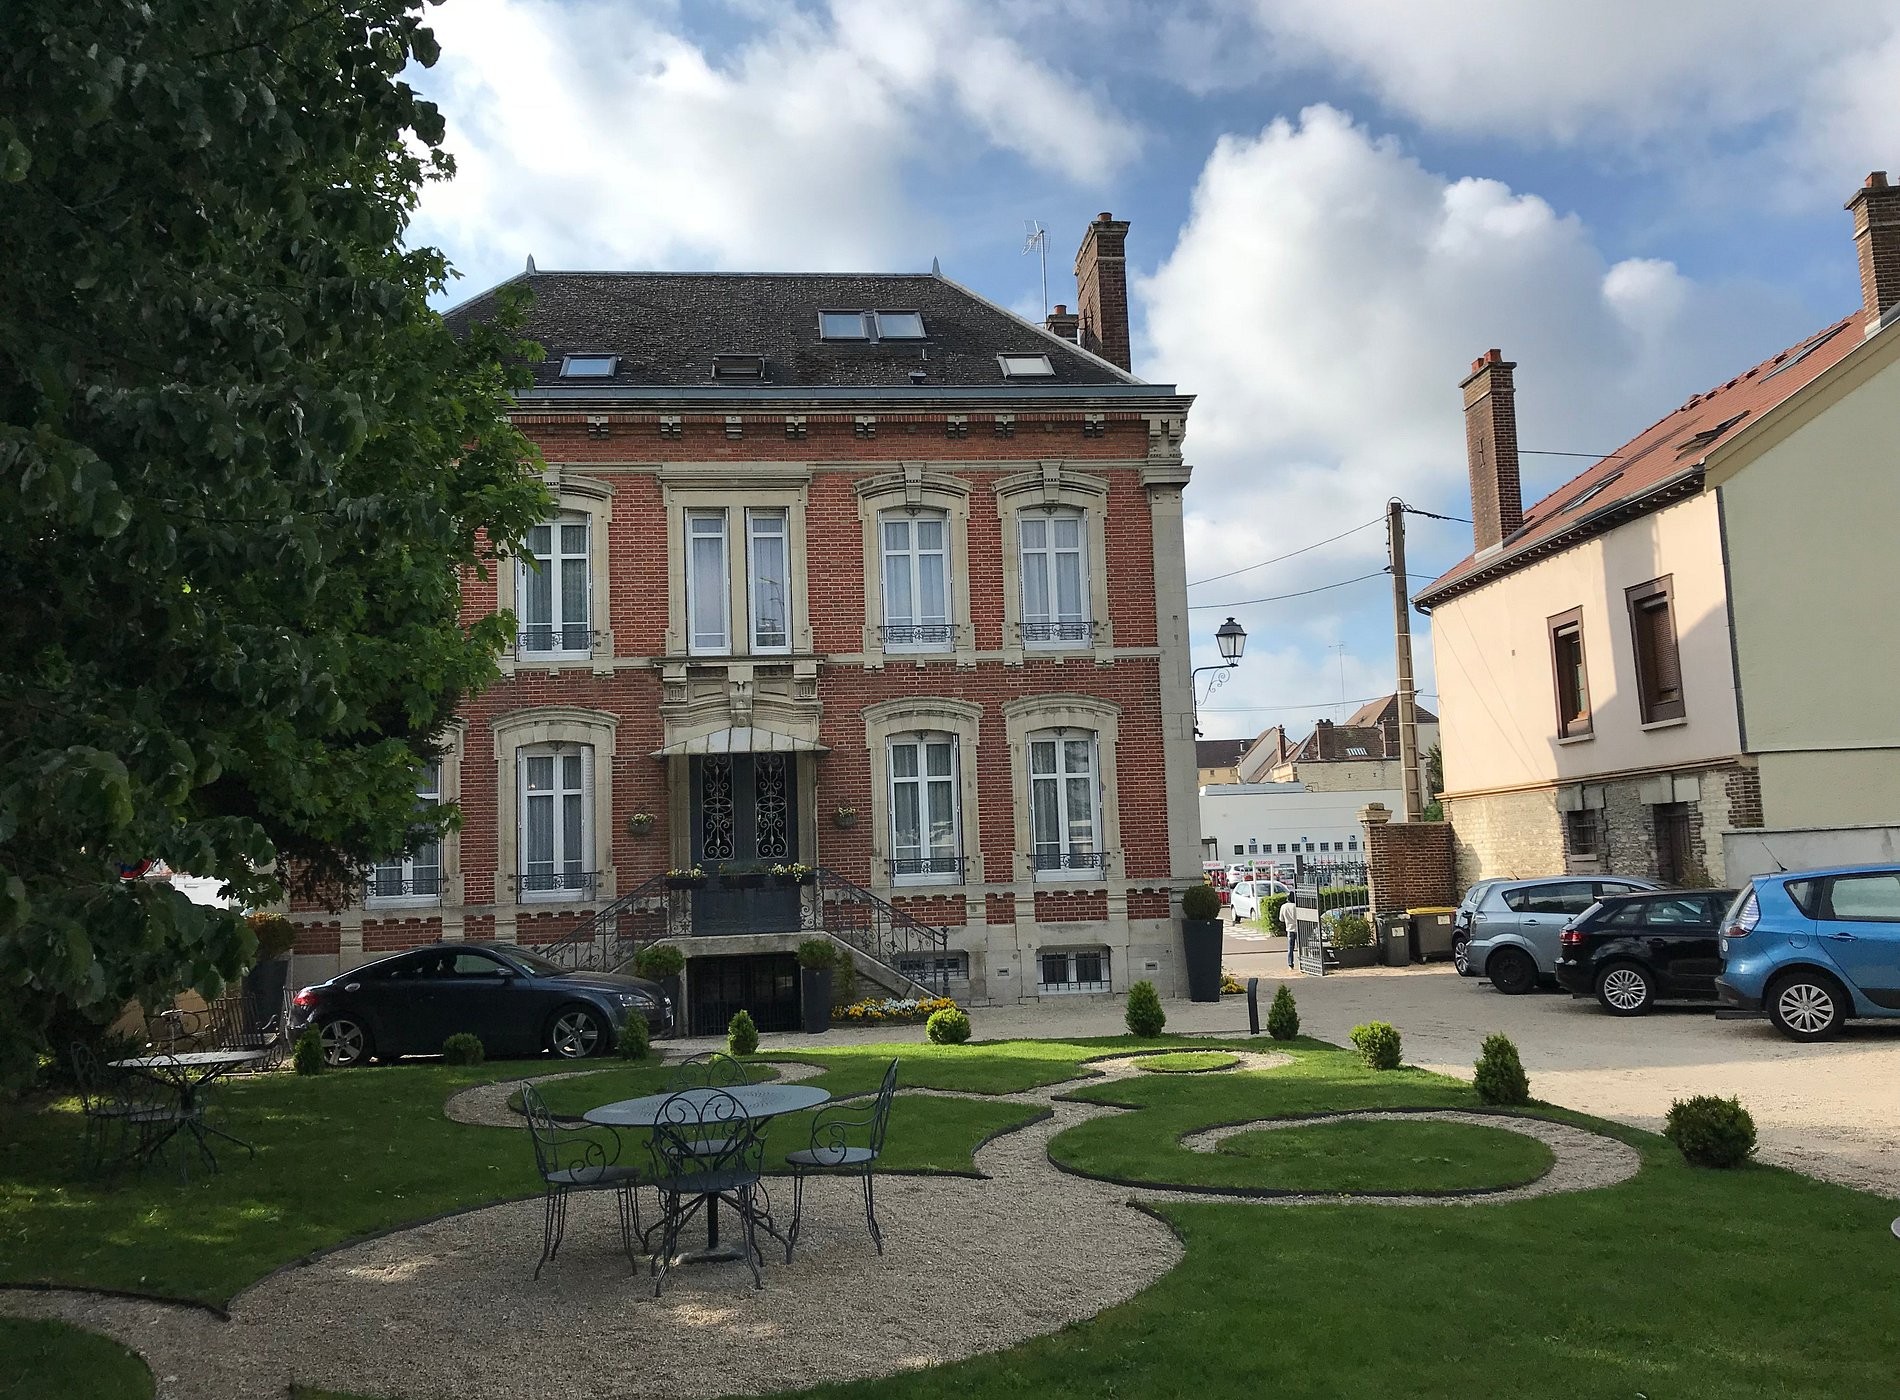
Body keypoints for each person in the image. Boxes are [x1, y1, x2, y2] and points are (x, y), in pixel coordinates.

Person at [1280, 896, 1299, 967]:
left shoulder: (1283, 906)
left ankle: (1290, 964)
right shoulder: (1296, 906)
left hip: (1289, 928)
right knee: (1300, 947)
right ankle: (1301, 962)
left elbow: (1281, 919)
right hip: (1297, 929)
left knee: (1290, 948)